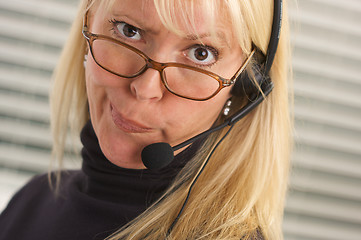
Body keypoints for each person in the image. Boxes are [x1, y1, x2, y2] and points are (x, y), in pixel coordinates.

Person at [0, 0, 292, 239]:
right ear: (88, 24)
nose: (145, 89)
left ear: (246, 86)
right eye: (129, 30)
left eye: (200, 54)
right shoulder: (34, 201)